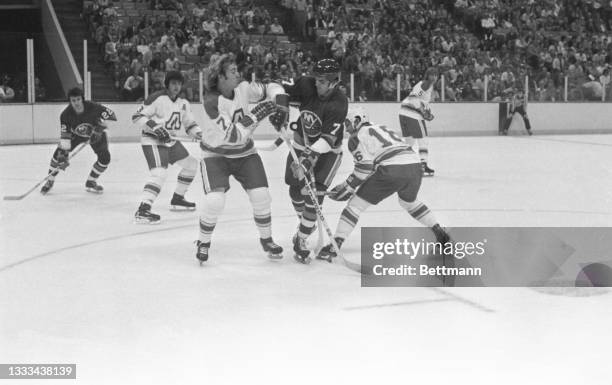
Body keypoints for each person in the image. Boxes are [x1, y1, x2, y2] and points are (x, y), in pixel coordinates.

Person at [317, 110, 451, 261]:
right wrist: (349, 185)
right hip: (414, 165)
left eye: (348, 123)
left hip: (392, 169)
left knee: (355, 205)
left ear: (357, 121)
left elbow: (364, 168)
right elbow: (375, 162)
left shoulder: (356, 137)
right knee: (408, 202)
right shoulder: (381, 127)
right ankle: (438, 230)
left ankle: (336, 244)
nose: (346, 128)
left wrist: (347, 186)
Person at [196, 55, 285, 263]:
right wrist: (258, 114)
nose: (238, 74)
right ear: (220, 77)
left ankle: (267, 240)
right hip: (216, 154)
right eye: (233, 71)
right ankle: (203, 242)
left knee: (261, 195)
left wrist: (280, 101)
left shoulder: (243, 87)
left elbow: (271, 87)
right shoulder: (211, 102)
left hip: (245, 153)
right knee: (214, 201)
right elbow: (234, 135)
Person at [281, 58, 349, 263]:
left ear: (333, 82)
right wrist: (280, 109)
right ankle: (306, 223)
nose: (316, 83)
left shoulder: (339, 102)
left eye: (321, 81)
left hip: (328, 153)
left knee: (314, 195)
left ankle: (301, 238)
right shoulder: (306, 84)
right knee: (295, 189)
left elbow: (327, 140)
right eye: (316, 79)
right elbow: (279, 88)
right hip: (301, 145)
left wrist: (306, 162)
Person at [132, 71, 202, 224]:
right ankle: (143, 209)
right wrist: (157, 128)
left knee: (191, 165)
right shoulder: (157, 98)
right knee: (159, 173)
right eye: (173, 83)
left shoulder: (183, 103)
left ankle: (178, 198)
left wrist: (198, 134)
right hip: (153, 140)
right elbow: (137, 117)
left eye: (179, 83)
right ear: (167, 84)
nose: (176, 86)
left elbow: (190, 124)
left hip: (170, 141)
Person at [40, 87, 116, 195]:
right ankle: (50, 180)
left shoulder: (94, 107)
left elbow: (112, 115)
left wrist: (100, 128)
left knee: (105, 158)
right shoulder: (65, 115)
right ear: (70, 101)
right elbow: (65, 136)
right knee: (58, 156)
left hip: (96, 134)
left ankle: (91, 181)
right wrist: (64, 155)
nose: (76, 103)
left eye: (78, 99)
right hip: (75, 135)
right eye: (73, 100)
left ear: (82, 99)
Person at [399, 68, 437, 176]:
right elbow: (413, 97)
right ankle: (423, 166)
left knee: (409, 142)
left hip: (403, 112)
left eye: (435, 75)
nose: (433, 77)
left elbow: (417, 98)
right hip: (412, 114)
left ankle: (401, 164)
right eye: (431, 75)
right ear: (427, 75)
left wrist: (425, 111)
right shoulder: (427, 84)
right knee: (423, 140)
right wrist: (423, 112)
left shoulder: (423, 84)